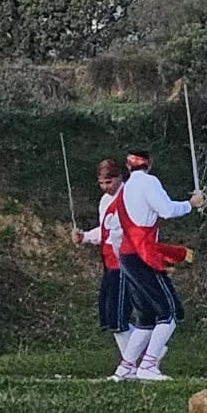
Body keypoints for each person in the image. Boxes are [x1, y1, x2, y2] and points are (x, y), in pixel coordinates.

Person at [111, 149, 206, 381]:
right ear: (149, 164)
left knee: (146, 317)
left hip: (127, 255)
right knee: (170, 312)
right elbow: (166, 210)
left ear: (128, 166)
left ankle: (126, 367)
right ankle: (149, 365)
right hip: (143, 255)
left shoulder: (124, 190)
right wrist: (191, 204)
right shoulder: (149, 182)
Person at [76, 159, 135, 379]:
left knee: (118, 316)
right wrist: (85, 238)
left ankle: (132, 365)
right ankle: (144, 353)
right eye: (101, 183)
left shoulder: (130, 198)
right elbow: (104, 231)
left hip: (126, 261)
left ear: (120, 177)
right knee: (109, 315)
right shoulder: (104, 201)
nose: (105, 187)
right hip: (109, 262)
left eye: (108, 182)